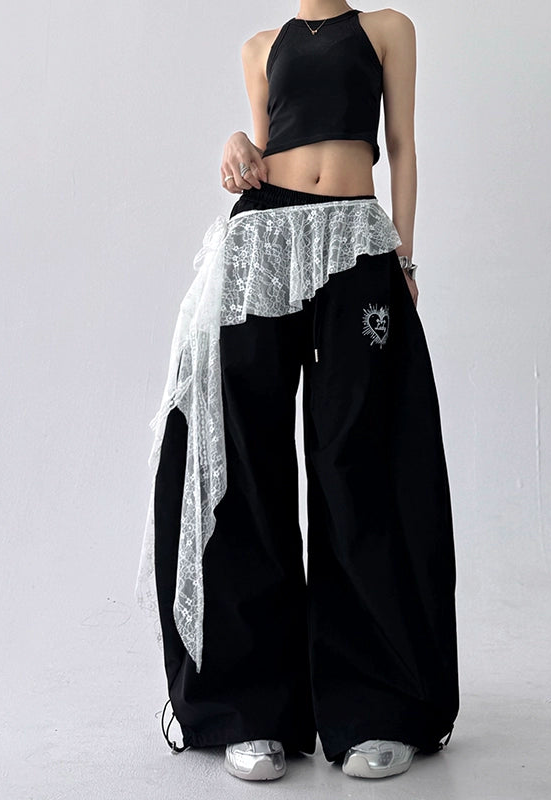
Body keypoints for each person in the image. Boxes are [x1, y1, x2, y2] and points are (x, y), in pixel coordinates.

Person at [134, 2, 459, 782]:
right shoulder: (259, 46)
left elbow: (403, 145)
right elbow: (264, 145)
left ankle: (377, 706)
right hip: (262, 245)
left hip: (355, 240)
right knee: (248, 464)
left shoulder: (386, 29)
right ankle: (252, 710)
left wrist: (405, 257)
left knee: (360, 458)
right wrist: (236, 146)